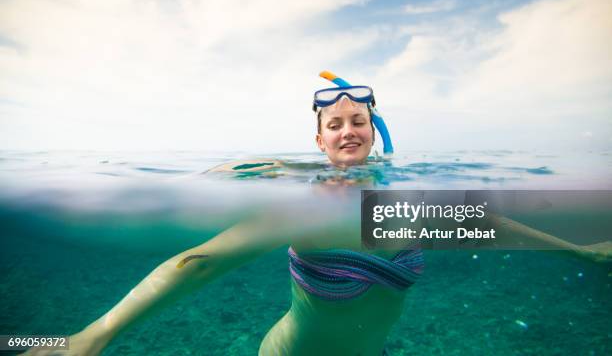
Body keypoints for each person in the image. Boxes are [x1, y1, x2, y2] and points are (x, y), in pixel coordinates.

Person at [23, 77, 612, 356]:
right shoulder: (311, 207)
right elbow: (197, 262)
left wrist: (581, 252)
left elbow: (494, 227)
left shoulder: (402, 207)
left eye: (358, 120)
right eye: (335, 124)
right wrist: (90, 337)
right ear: (320, 139)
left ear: (374, 131)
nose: (347, 129)